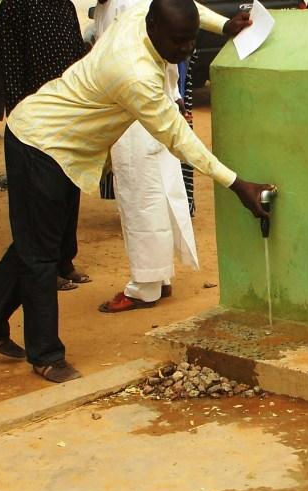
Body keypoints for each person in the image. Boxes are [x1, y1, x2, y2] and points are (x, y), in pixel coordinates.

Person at [0, 0, 274, 383]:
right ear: (155, 27)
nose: (187, 50)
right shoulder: (134, 74)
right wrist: (236, 183)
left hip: (60, 144)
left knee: (37, 241)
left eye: (191, 40)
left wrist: (224, 26)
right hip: (41, 143)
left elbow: (185, 5)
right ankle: (46, 355)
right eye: (178, 42)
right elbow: (178, 137)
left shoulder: (139, 18)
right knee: (41, 256)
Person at [93, 0, 237, 314]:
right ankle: (158, 277)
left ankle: (144, 287)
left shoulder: (131, 6)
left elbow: (183, 7)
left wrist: (225, 25)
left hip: (138, 113)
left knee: (142, 200)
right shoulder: (108, 8)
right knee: (159, 196)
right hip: (150, 107)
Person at [0, 0, 90, 290]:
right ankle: (47, 270)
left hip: (69, 111)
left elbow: (76, 59)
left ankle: (65, 260)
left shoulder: (64, 5)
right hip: (35, 120)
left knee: (68, 188)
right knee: (40, 198)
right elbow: (9, 62)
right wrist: (17, 108)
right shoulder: (13, 7)